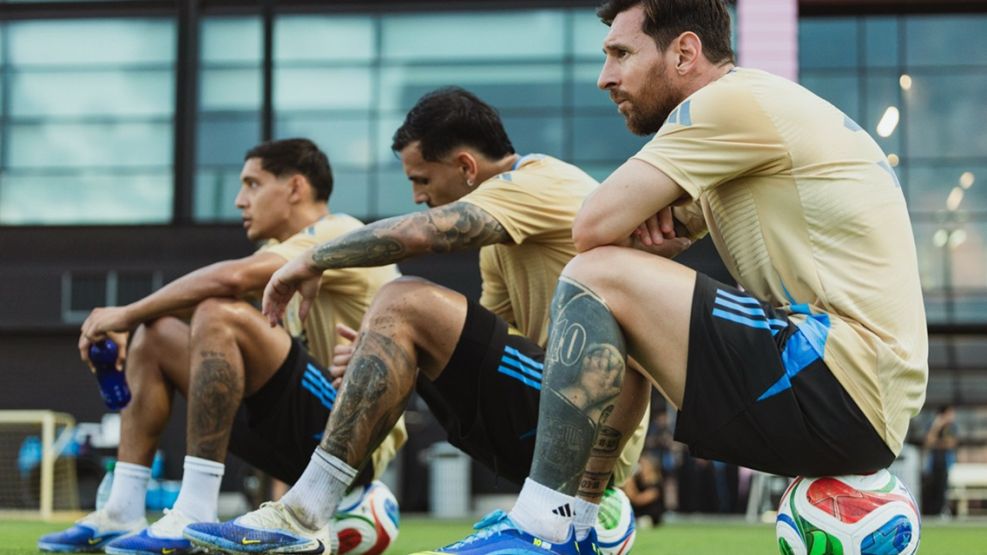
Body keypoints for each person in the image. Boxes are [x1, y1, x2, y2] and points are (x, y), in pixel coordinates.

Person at [429, 0, 929, 552]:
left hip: (837, 376)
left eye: (621, 54)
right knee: (617, 294)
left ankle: (547, 529)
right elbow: (621, 236)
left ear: (685, 53)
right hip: (857, 399)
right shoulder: (755, 115)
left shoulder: (727, 102)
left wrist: (631, 246)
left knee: (599, 275)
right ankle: (578, 520)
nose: (606, 78)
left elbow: (592, 228)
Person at [183, 87, 675, 554]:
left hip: (590, 421)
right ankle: (571, 513)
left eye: (421, 179)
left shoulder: (541, 181)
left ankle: (307, 513)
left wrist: (315, 259)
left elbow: (429, 233)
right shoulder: (501, 244)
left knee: (405, 298)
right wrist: (382, 348)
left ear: (465, 166)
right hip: (543, 426)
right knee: (401, 315)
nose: (418, 195)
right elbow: (496, 348)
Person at [38, 139, 405, 554]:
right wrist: (139, 323)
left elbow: (229, 284)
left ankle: (194, 510)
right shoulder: (273, 253)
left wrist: (126, 313)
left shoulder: (339, 233)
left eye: (252, 184)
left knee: (216, 309)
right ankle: (122, 508)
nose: (238, 200)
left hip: (350, 442)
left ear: (295, 188)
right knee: (158, 334)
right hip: (291, 436)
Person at [923, 405, 958, 515]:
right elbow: (928, 443)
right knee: (931, 487)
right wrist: (937, 426)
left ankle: (941, 511)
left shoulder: (951, 427)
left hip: (945, 461)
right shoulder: (933, 425)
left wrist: (936, 443)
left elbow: (950, 444)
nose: (952, 416)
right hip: (932, 462)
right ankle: (931, 512)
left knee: (942, 487)